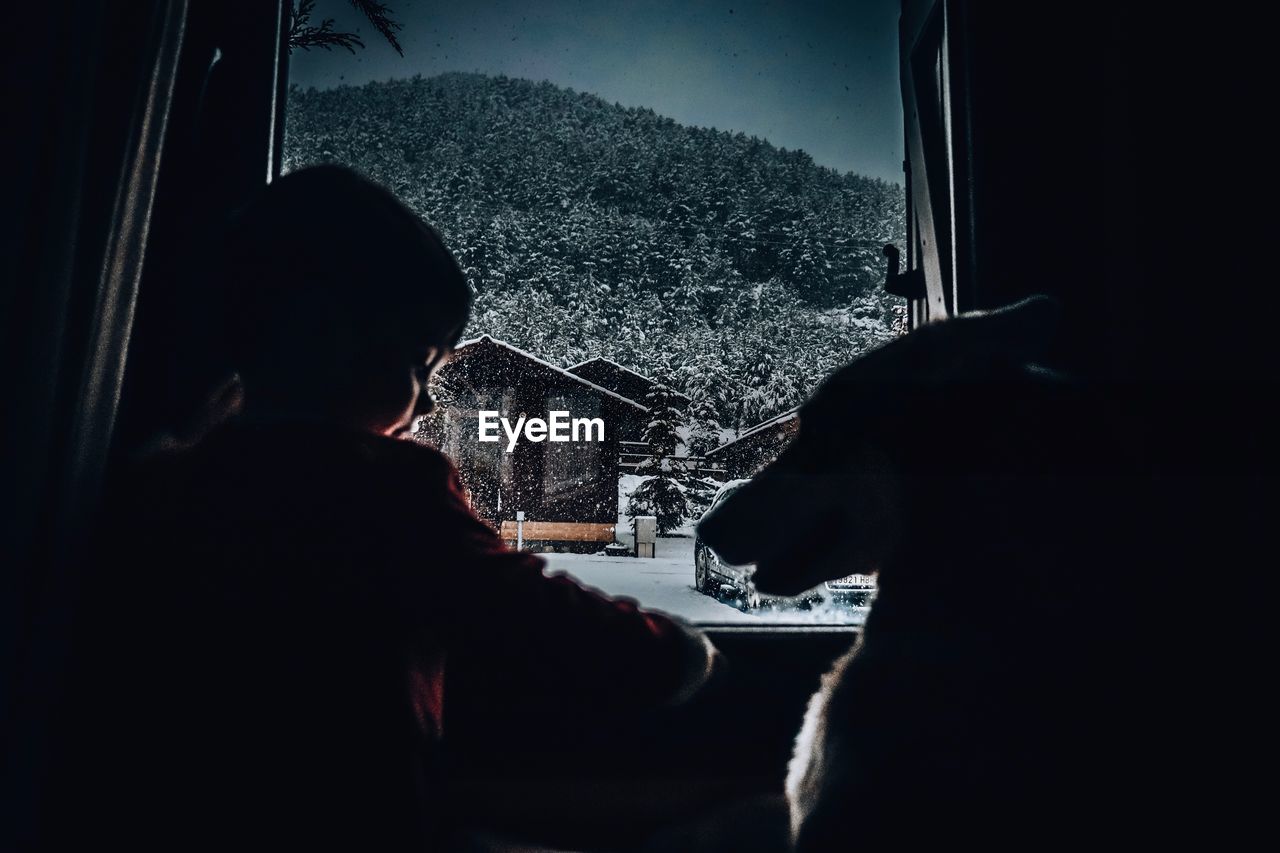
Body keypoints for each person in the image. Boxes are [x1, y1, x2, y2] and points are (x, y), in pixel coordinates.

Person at [53, 166, 717, 850]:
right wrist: (674, 652)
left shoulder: (165, 479)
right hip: (363, 818)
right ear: (321, 332)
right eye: (418, 365)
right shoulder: (388, 487)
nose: (428, 401)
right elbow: (521, 609)